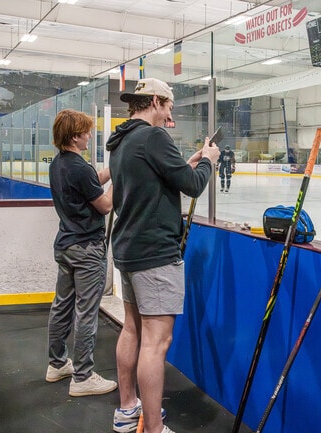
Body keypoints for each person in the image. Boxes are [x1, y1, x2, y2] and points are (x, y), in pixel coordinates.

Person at [106, 78, 220, 433]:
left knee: (133, 329)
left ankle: (127, 410)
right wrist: (210, 162)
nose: (170, 114)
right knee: (156, 342)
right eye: (169, 105)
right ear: (155, 100)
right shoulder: (154, 137)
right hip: (154, 253)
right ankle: (152, 428)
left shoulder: (123, 140)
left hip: (127, 248)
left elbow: (154, 180)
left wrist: (188, 162)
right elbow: (193, 185)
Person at [45, 108, 118, 398]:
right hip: (87, 249)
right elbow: (105, 205)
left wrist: (112, 169)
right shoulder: (78, 166)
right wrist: (118, 184)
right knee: (86, 312)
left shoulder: (59, 164)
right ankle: (83, 377)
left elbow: (89, 183)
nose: (89, 135)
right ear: (75, 136)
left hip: (65, 245)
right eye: (86, 131)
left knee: (61, 306)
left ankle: (57, 363)